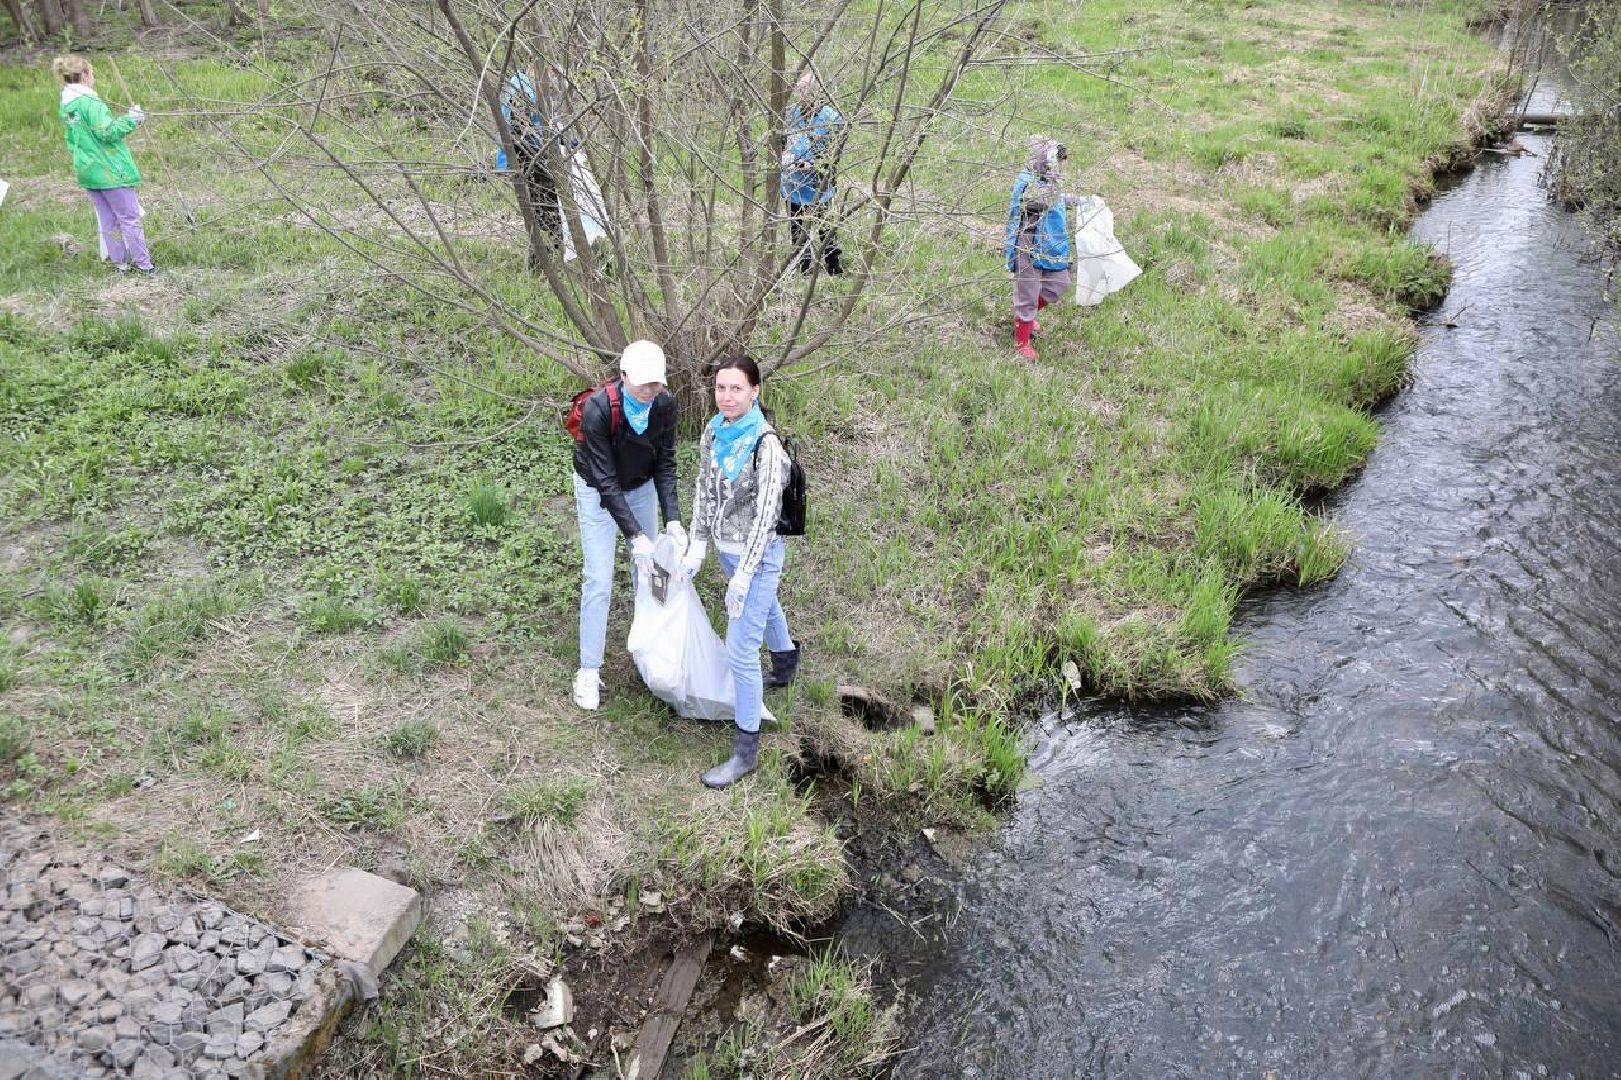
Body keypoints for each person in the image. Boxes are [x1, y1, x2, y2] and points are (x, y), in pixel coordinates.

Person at [679, 356, 799, 789]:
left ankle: (745, 752)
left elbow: (766, 517)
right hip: (728, 553)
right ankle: (785, 665)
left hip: (757, 558)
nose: (727, 397)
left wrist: (744, 575)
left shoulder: (766, 447)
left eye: (736, 389)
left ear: (755, 391)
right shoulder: (714, 431)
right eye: (720, 388)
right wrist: (697, 544)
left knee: (740, 651)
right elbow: (704, 490)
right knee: (766, 608)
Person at [572, 340, 683, 711]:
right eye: (642, 383)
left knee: (652, 571)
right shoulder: (598, 410)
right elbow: (605, 482)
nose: (650, 390)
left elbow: (665, 465)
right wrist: (635, 536)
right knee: (598, 579)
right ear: (623, 376)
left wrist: (673, 520)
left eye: (656, 382)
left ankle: (653, 653)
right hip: (596, 490)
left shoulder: (664, 406)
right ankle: (589, 670)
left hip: (640, 487)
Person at [54, 54, 153, 274]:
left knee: (108, 219)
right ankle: (144, 266)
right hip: (110, 171)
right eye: (92, 73)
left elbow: (71, 140)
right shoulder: (90, 102)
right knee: (129, 218)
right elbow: (107, 132)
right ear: (85, 75)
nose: (94, 78)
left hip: (87, 171)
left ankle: (120, 264)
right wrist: (132, 119)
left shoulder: (67, 105)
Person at [1005, 135, 1074, 360]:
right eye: (1059, 161)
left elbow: (1058, 200)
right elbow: (1031, 201)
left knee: (1058, 284)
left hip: (1050, 245)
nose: (1063, 167)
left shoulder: (1050, 181)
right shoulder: (1029, 180)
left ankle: (1025, 315)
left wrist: (1082, 202)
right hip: (1028, 245)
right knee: (1028, 291)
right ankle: (1022, 340)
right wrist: (1051, 192)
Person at [780, 71, 843, 277]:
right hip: (793, 183)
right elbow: (783, 143)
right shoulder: (791, 114)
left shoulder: (831, 118)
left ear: (818, 92)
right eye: (799, 90)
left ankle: (833, 266)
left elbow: (835, 151)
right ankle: (803, 268)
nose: (802, 95)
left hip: (819, 184)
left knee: (826, 226)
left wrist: (816, 164)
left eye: (806, 91)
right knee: (797, 228)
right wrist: (785, 158)